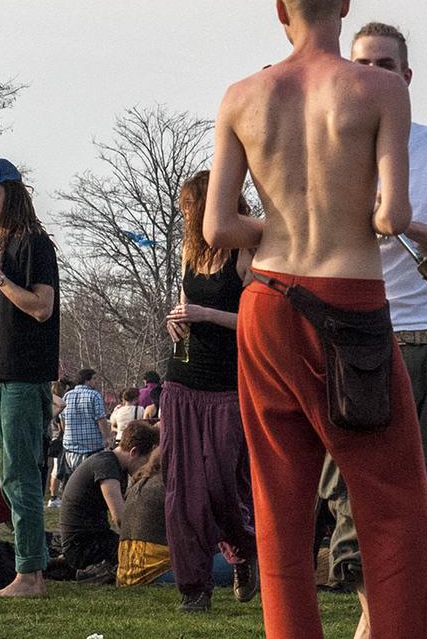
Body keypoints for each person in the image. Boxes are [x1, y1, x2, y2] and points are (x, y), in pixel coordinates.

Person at [201, 0, 427, 639]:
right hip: (351, 303)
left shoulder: (241, 96)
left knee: (280, 505)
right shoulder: (380, 91)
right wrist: (341, 211)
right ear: (345, 5)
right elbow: (393, 216)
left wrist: (276, 223)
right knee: (392, 501)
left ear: (280, 13)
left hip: (268, 300)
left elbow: (217, 226)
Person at [315, 19, 427, 615]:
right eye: (361, 65)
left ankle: (387, 616)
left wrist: (404, 219)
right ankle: (374, 616)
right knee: (349, 494)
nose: (371, 75)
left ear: (406, 77)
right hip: (358, 339)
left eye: (384, 66)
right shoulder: (330, 146)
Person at [160, 168, 259, 612]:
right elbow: (186, 313)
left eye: (188, 206)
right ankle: (193, 588)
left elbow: (257, 325)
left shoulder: (245, 250)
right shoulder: (189, 253)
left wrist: (206, 314)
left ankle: (243, 552)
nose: (184, 215)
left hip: (227, 385)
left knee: (223, 485)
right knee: (183, 491)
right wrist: (177, 323)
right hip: (183, 379)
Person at [0, 156, 61, 599]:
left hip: (26, 381)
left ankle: (31, 577)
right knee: (9, 477)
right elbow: (15, 321)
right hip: (4, 377)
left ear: (14, 194)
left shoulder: (33, 244)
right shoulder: (5, 246)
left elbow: (41, 308)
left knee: (22, 477)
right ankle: (28, 571)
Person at [59, 417, 160, 577]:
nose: (146, 468)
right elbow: (120, 517)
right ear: (133, 452)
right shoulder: (106, 466)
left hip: (92, 539)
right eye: (145, 461)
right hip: (82, 547)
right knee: (144, 559)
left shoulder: (111, 463)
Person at [117, 427, 172, 586]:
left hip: (126, 570)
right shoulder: (170, 486)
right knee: (239, 560)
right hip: (157, 571)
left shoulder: (140, 483)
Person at [60, 369, 109, 475]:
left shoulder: (67, 396)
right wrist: (107, 438)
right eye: (94, 379)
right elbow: (101, 419)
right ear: (87, 380)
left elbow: (63, 421)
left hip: (70, 448)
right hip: (92, 447)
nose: (96, 382)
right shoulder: (95, 395)